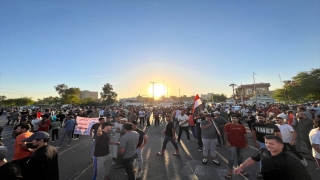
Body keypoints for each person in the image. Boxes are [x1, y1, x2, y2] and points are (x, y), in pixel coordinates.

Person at [234, 135, 312, 180]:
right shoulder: (263, 151)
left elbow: (304, 176)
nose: (268, 145)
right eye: (266, 143)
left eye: (272, 144)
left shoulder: (290, 160)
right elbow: (253, 159)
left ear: (281, 145)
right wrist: (241, 166)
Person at [224, 115, 249, 179]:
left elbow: (245, 135)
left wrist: (247, 144)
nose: (232, 119)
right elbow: (226, 134)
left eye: (234, 118)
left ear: (238, 119)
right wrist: (227, 142)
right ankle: (230, 171)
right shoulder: (227, 125)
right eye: (231, 118)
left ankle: (240, 169)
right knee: (231, 157)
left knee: (240, 157)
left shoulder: (242, 127)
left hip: (241, 144)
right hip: (232, 144)